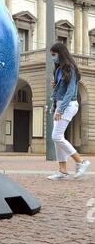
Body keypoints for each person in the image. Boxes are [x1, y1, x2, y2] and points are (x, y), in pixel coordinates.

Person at [47, 42, 90, 180]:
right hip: (60, 104)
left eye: (54, 54)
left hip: (68, 105)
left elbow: (71, 91)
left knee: (56, 136)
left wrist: (60, 109)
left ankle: (81, 161)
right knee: (58, 138)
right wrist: (55, 86)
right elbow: (61, 90)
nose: (53, 57)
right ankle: (62, 170)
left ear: (61, 53)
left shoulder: (70, 68)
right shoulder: (58, 69)